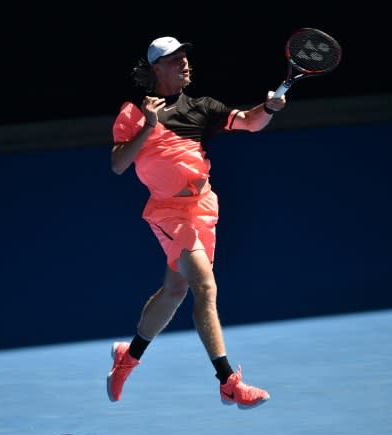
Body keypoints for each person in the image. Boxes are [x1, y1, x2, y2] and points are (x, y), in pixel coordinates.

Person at [107, 36, 286, 409]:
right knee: (204, 286)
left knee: (174, 290)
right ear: (157, 68)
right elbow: (118, 164)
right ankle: (228, 383)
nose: (185, 64)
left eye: (186, 58)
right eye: (175, 60)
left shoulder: (203, 107)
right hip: (169, 213)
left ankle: (128, 358)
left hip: (203, 208)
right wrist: (149, 126)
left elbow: (251, 123)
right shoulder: (133, 113)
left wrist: (268, 107)